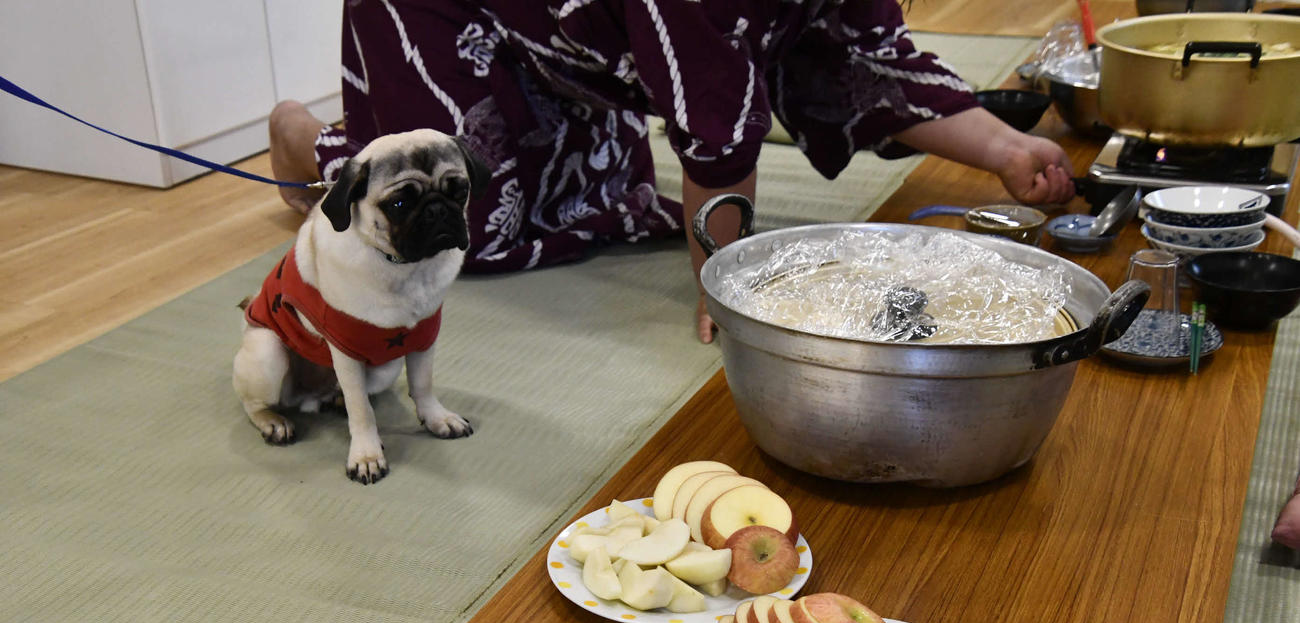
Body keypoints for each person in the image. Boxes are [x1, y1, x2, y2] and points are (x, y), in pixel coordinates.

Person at [270, 1, 1076, 344]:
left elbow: (864, 58)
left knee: (597, 197)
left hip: (569, 35)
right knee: (459, 230)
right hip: (441, 13)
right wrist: (729, 289)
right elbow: (716, 135)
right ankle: (309, 143)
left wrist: (1004, 149)